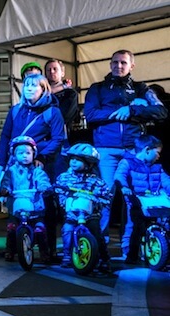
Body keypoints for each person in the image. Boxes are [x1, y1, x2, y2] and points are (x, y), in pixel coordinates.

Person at [84, 49, 168, 250]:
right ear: (110, 64)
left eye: (123, 62)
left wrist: (132, 109)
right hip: (106, 150)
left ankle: (128, 246)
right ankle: (100, 246)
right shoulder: (97, 88)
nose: (118, 66)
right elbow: (91, 114)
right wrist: (118, 111)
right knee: (106, 197)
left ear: (132, 66)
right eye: (114, 62)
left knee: (133, 200)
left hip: (133, 150)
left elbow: (161, 111)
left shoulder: (141, 89)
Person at [0, 74, 65, 260]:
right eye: (26, 85)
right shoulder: (16, 110)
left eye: (34, 86)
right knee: (15, 207)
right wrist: (1, 162)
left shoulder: (52, 112)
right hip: (15, 166)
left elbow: (58, 138)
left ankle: (48, 249)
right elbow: (5, 137)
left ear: (44, 89)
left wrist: (42, 156)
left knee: (45, 207)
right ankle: (14, 246)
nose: (29, 89)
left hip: (42, 165)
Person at [54, 143, 112, 270]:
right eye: (72, 159)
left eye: (78, 160)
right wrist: (63, 199)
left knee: (96, 233)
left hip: (91, 215)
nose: (73, 162)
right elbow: (59, 191)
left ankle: (104, 258)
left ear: (89, 163)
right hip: (72, 213)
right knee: (67, 229)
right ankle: (67, 255)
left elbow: (106, 195)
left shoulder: (96, 181)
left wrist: (100, 199)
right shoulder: (64, 178)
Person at [114, 134, 170, 264]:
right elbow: (119, 175)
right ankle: (129, 253)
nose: (158, 156)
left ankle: (161, 250)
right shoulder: (127, 162)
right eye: (157, 153)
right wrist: (124, 187)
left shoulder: (158, 167)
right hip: (136, 200)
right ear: (147, 150)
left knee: (164, 222)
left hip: (153, 201)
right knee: (133, 226)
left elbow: (166, 182)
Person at [0, 136, 53, 262]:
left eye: (28, 153)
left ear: (34, 154)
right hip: (16, 206)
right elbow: (6, 183)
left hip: (35, 206)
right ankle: (10, 250)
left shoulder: (37, 171)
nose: (24, 156)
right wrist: (4, 190)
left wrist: (45, 187)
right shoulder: (11, 171)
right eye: (20, 153)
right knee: (12, 227)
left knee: (40, 229)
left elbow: (43, 181)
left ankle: (45, 253)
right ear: (14, 154)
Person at [45, 59, 79, 174]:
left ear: (62, 73)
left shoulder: (70, 94)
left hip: (62, 142)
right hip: (42, 141)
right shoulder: (40, 94)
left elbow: (65, 116)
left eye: (55, 69)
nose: (52, 72)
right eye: (49, 70)